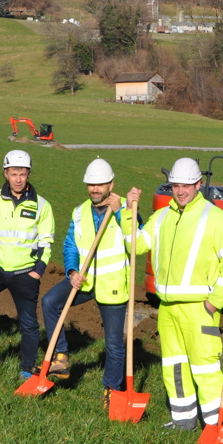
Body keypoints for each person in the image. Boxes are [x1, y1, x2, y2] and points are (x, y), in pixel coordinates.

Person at [125, 157, 223, 430]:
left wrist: (214, 303)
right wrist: (129, 212)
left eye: (186, 186)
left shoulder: (214, 217)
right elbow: (137, 245)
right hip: (167, 309)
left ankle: (215, 425)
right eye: (176, 185)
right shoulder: (163, 215)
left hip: (199, 309)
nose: (180, 191)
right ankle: (183, 420)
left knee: (205, 369)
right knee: (174, 366)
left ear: (198, 185)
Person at [39, 158, 141, 407]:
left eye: (100, 184)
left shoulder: (127, 210)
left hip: (113, 285)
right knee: (50, 302)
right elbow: (70, 245)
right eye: (91, 185)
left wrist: (122, 212)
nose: (95, 189)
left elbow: (138, 240)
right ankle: (61, 356)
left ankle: (112, 389)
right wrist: (72, 270)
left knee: (114, 343)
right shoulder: (79, 211)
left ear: (111, 184)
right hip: (84, 281)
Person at [0, 150, 55, 380]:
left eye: (22, 174)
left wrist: (39, 271)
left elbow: (46, 241)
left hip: (25, 270)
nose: (18, 179)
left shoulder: (42, 205)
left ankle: (27, 368)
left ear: (28, 174)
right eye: (13, 173)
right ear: (5, 173)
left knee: (28, 323)